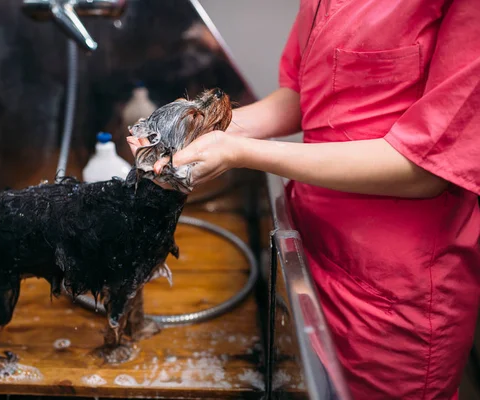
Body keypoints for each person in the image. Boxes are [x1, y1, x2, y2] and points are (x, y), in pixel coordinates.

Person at [128, 0, 480, 398]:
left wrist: (237, 152)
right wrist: (199, 132)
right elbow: (302, 94)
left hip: (393, 293)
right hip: (309, 248)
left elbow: (425, 169)